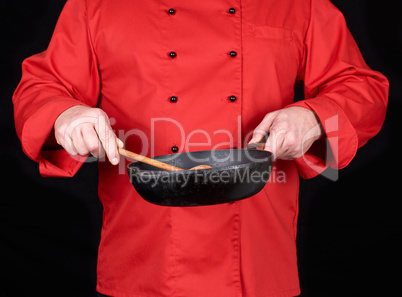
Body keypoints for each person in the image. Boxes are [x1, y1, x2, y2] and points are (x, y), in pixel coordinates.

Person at [13, 0, 388, 296]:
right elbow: (40, 88)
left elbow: (363, 91)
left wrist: (313, 118)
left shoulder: (298, 3)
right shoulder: (95, 5)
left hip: (258, 264)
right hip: (143, 261)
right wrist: (66, 115)